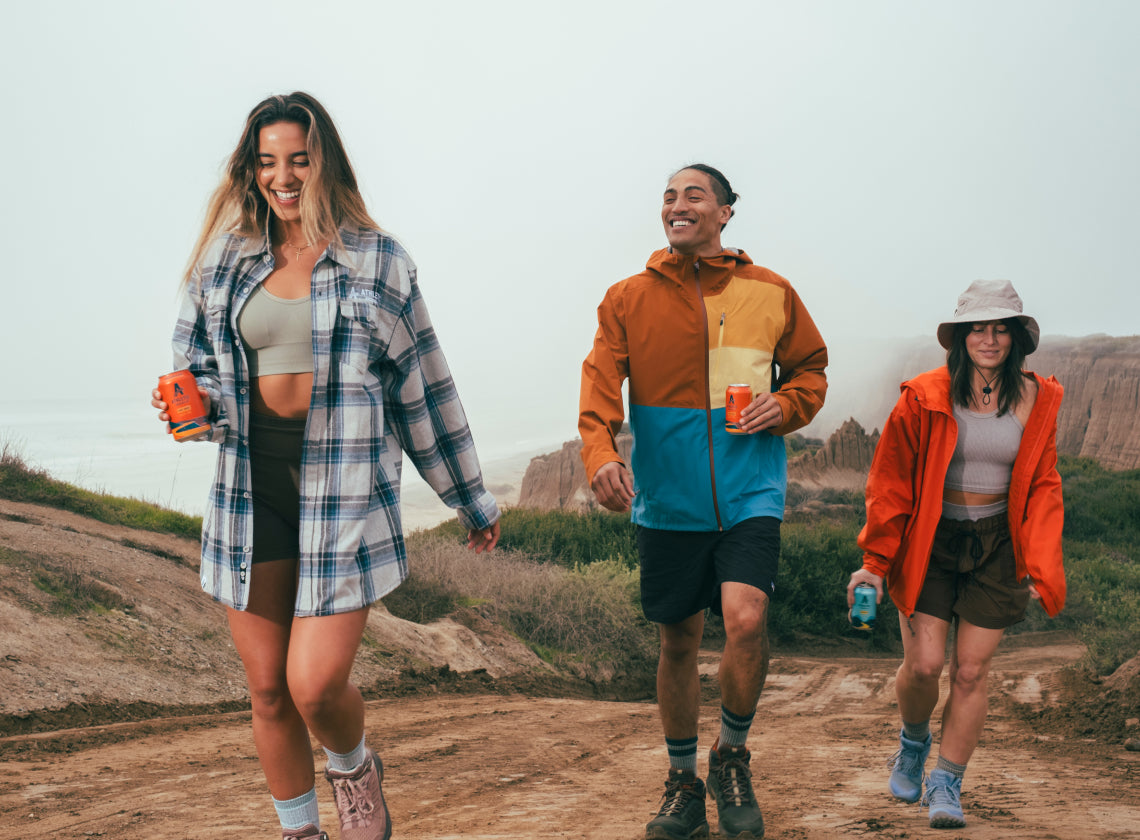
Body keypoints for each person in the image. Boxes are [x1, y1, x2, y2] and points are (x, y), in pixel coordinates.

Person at [151, 92, 500, 840]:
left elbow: (423, 386)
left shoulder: (378, 261)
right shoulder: (224, 261)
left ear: (324, 164)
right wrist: (194, 404)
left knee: (314, 686)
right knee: (268, 692)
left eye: (298, 161)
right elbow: (199, 368)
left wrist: (469, 498)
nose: (283, 177)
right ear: (251, 169)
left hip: (344, 498)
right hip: (251, 495)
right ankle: (300, 831)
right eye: (268, 162)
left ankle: (355, 768)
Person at [580, 164, 828, 840]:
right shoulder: (628, 297)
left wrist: (788, 402)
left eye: (693, 195)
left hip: (752, 489)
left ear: (724, 213)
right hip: (667, 500)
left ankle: (733, 756)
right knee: (680, 640)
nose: (677, 205)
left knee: (745, 619)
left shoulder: (770, 291)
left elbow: (811, 367)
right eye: (668, 196)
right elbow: (600, 383)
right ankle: (684, 780)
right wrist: (601, 455)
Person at [847, 279, 1065, 829]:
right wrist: (874, 561)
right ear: (961, 336)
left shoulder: (1039, 399)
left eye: (1000, 329)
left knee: (970, 672)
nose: (989, 339)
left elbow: (1043, 484)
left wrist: (1041, 564)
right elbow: (890, 482)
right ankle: (914, 741)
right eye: (978, 328)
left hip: (997, 544)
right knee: (924, 665)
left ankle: (946, 782)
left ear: (1016, 337)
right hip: (932, 539)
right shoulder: (923, 396)